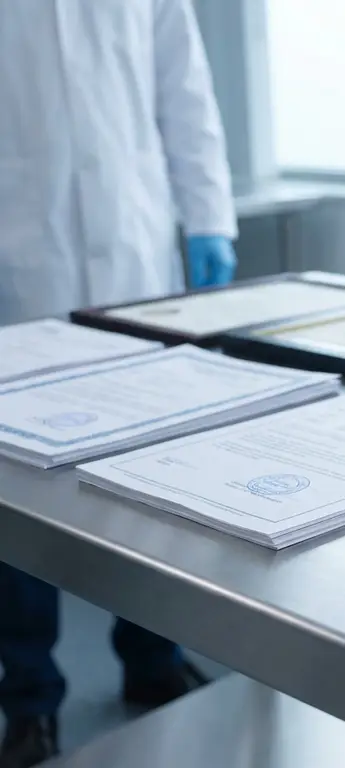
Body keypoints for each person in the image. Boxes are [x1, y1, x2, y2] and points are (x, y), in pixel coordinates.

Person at [0, 1, 238, 765]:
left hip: (136, 257)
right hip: (21, 263)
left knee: (150, 478)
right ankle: (29, 699)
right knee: (17, 493)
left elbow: (184, 87)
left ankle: (152, 660)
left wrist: (210, 216)